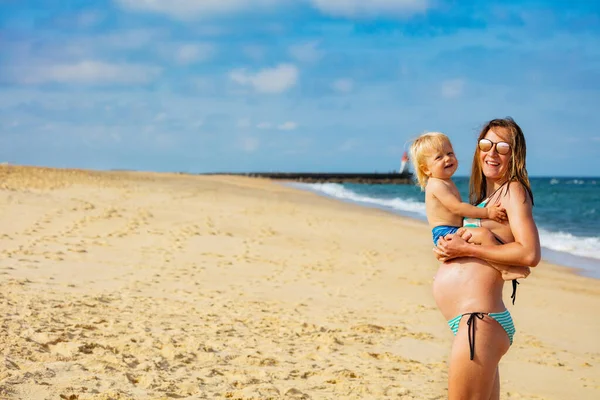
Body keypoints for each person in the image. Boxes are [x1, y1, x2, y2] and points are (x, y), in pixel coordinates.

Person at [432, 118, 541, 399]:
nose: (492, 153)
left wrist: (467, 249)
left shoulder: (513, 190)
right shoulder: (485, 201)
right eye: (486, 145)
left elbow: (530, 253)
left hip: (479, 321)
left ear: (515, 155)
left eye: (502, 148)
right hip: (471, 322)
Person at [409, 131, 530, 281]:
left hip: (451, 230)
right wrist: (487, 212)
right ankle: (503, 268)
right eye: (439, 157)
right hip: (445, 231)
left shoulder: (445, 182)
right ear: (426, 169)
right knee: (484, 235)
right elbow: (457, 208)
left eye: (449, 153)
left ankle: (502, 264)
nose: (447, 159)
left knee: (481, 236)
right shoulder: (436, 184)